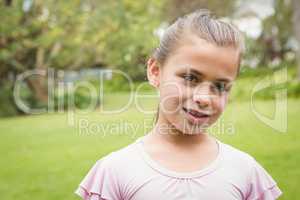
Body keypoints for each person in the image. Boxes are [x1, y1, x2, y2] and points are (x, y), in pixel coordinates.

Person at [75, 9, 282, 200]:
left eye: (220, 86)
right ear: (155, 71)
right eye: (190, 78)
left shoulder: (245, 172)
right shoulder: (115, 172)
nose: (205, 98)